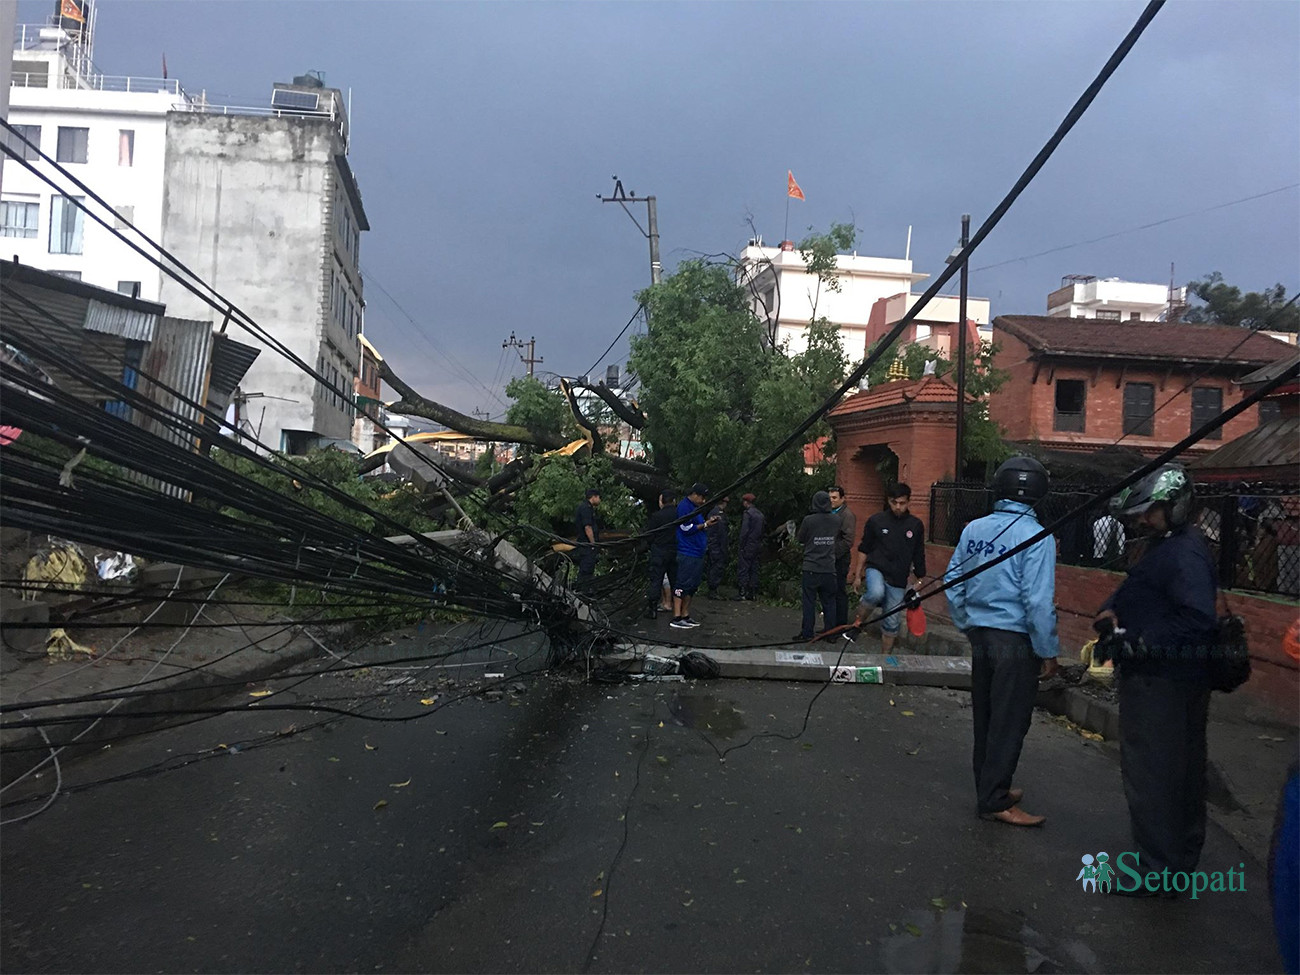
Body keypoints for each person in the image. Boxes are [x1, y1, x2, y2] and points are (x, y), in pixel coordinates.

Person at [1096, 463, 1217, 895]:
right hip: (1169, 679)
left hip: (1162, 684)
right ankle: (1176, 863)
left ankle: (1156, 871)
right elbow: (1141, 587)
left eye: (1152, 511)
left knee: (1153, 775)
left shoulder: (1184, 553)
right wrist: (1114, 608)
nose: (1143, 519)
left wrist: (1141, 642)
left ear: (1176, 507)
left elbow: (1198, 618)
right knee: (1178, 772)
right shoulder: (1167, 545)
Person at [944, 456, 1060, 828]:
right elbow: (1038, 601)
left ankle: (989, 788)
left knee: (987, 717)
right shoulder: (1038, 537)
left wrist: (967, 623)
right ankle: (994, 799)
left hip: (982, 637)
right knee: (1009, 722)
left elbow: (953, 580)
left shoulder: (974, 529)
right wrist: (1048, 651)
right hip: (1015, 641)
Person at [850, 483, 927, 654]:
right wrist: (857, 574)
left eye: (902, 503)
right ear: (888, 501)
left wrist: (920, 577)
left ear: (908, 502)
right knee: (876, 592)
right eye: (894, 503)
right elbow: (864, 548)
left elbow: (918, 553)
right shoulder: (876, 521)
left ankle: (885, 660)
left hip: (898, 577)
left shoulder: (915, 525)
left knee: (892, 621)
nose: (898, 507)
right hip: (876, 568)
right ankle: (858, 621)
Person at [792, 490, 839, 642]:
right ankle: (831, 634)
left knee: (809, 602)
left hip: (811, 566)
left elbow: (801, 538)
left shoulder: (809, 520)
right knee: (830, 602)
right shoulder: (836, 520)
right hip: (829, 567)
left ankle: (807, 633)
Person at [672, 483, 718, 629]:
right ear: (695, 494)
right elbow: (684, 528)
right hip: (687, 551)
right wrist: (705, 525)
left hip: (697, 552)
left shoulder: (695, 509)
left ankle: (686, 614)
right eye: (702, 497)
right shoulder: (684, 507)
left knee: (692, 586)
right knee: (682, 584)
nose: (703, 501)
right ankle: (677, 616)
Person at [643, 489, 679, 619]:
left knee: (656, 581)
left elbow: (649, 535)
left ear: (662, 501)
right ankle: (678, 608)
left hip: (659, 551)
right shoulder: (679, 515)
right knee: (676, 581)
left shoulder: (657, 516)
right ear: (674, 501)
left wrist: (650, 546)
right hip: (675, 550)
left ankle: (652, 609)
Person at [829, 486, 857, 637]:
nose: (831, 501)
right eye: (830, 498)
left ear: (842, 498)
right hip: (829, 559)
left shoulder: (847, 515)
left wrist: (833, 554)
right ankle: (831, 625)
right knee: (830, 592)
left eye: (834, 498)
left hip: (840, 559)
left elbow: (848, 541)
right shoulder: (830, 513)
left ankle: (840, 625)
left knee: (839, 591)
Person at [734, 493, 764, 600]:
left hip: (747, 544)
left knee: (744, 567)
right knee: (754, 568)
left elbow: (744, 531)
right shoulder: (760, 515)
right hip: (757, 544)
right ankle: (753, 593)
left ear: (746, 502)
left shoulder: (748, 514)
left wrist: (741, 544)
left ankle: (742, 592)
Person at [574, 487, 601, 587]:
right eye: (598, 497)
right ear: (593, 497)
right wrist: (593, 543)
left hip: (586, 545)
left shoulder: (587, 507)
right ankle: (583, 591)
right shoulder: (586, 508)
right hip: (586, 546)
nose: (599, 500)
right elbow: (587, 527)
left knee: (588, 570)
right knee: (586, 571)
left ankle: (585, 589)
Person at [704, 496, 730, 598]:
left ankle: (712, 589)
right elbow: (721, 533)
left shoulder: (713, 512)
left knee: (713, 566)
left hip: (713, 544)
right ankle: (713, 590)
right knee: (716, 567)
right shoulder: (718, 514)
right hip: (717, 545)